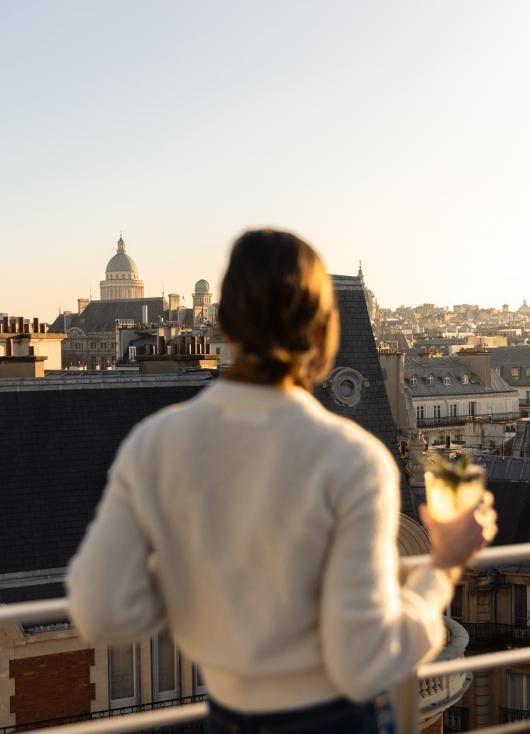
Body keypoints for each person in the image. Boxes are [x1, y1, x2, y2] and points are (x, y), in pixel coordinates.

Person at [67, 229, 496, 734]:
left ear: (224, 325)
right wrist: (442, 565)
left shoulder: (155, 444)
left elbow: (99, 606)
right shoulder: (353, 459)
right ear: (324, 334)